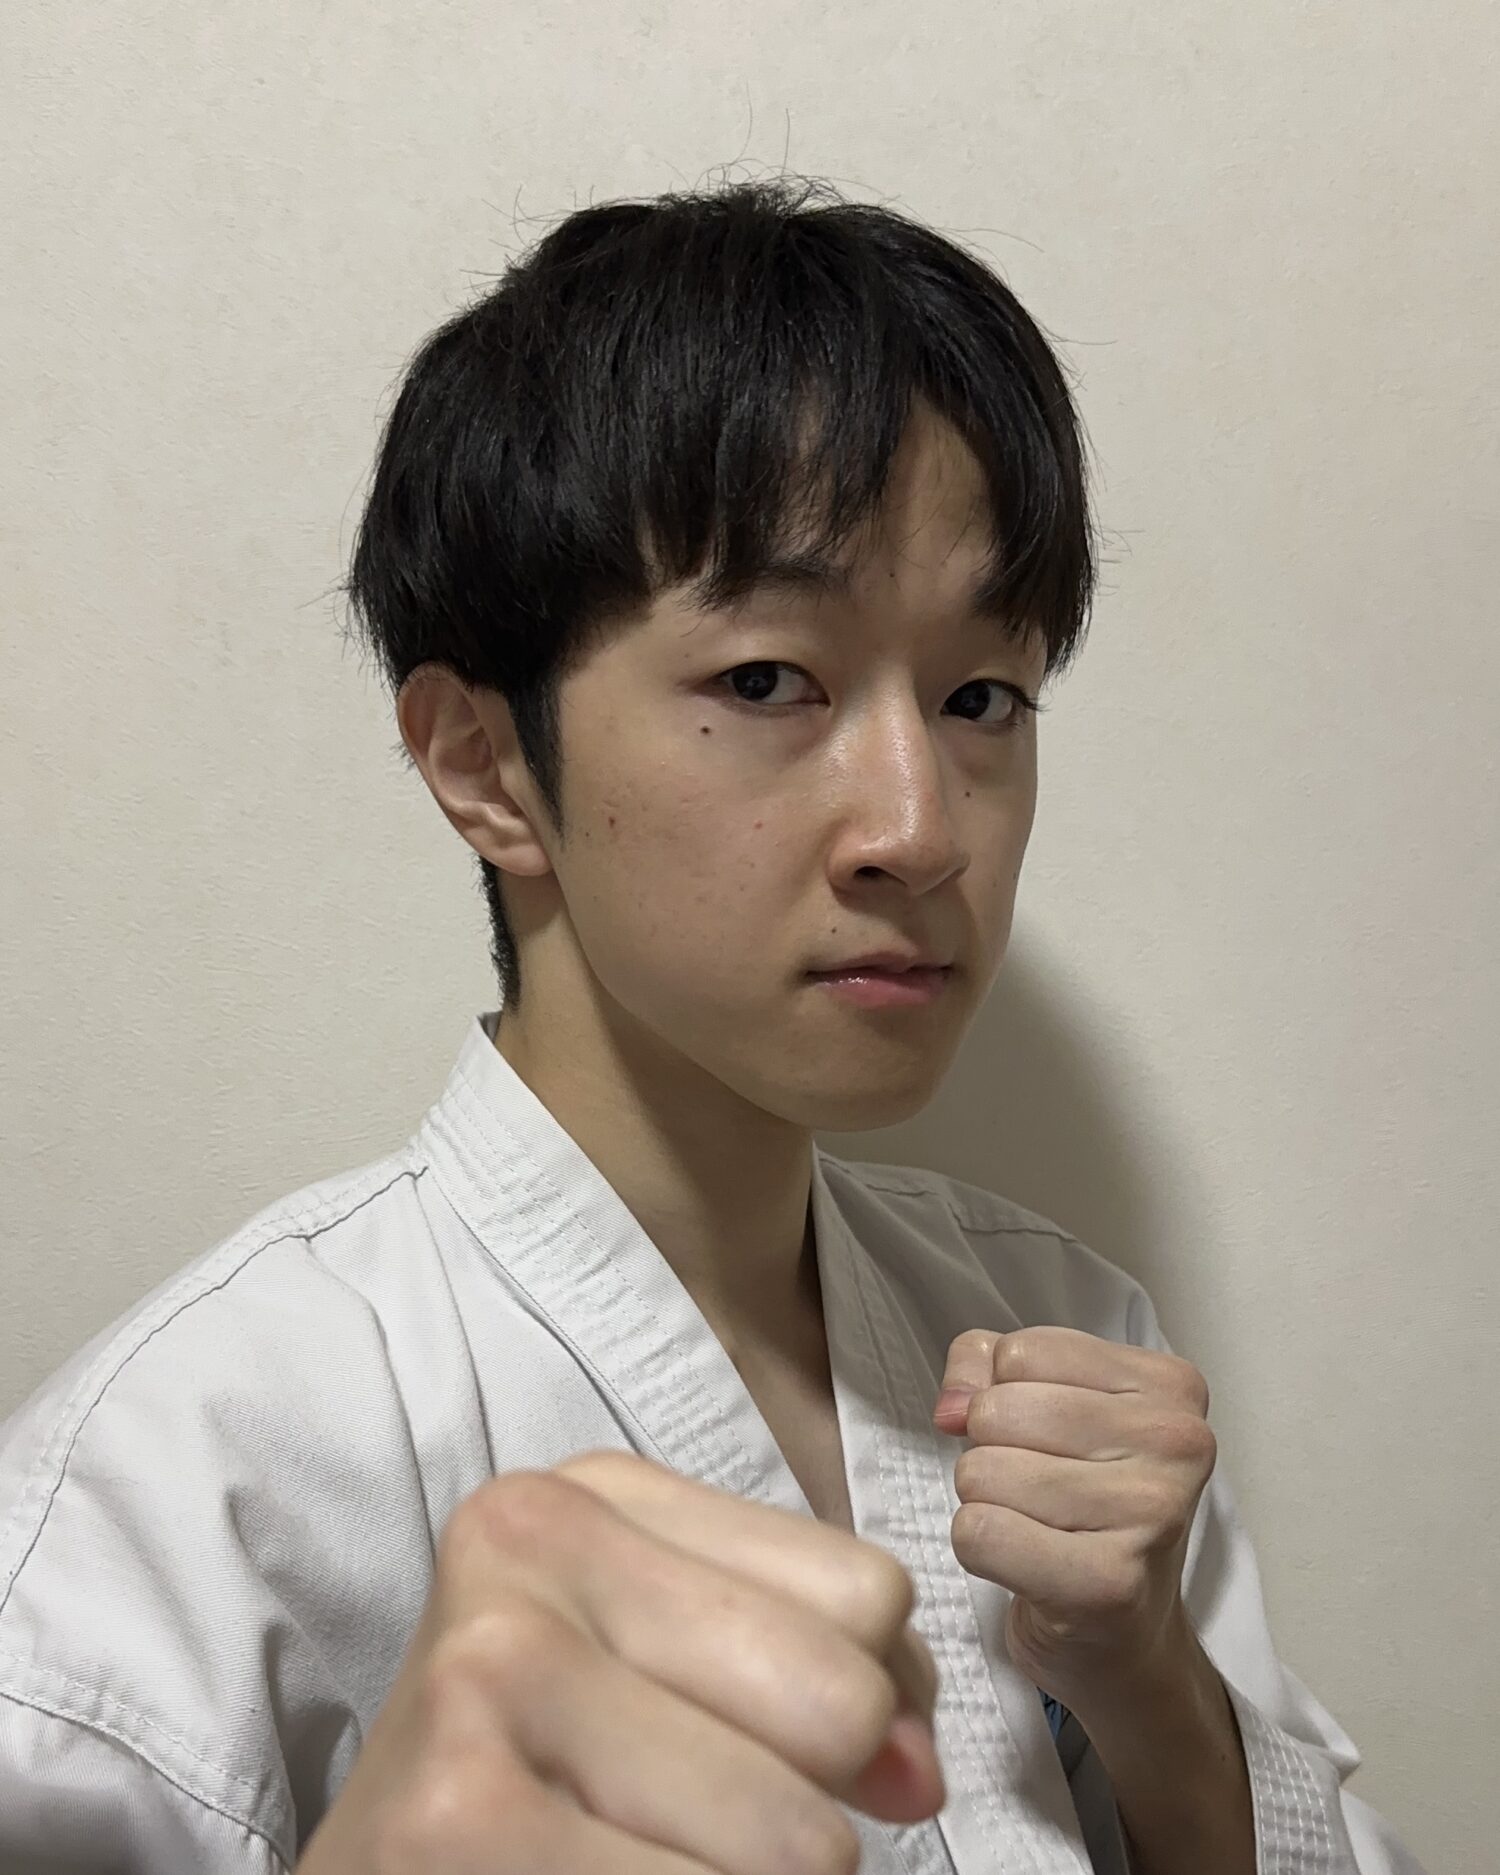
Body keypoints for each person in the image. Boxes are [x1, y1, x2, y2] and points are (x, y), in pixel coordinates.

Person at [0, 174, 1427, 1875]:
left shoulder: (1056, 1326)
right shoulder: (194, 1478)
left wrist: (1153, 1694)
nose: (920, 827)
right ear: (483, 763)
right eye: (767, 681)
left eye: (982, 696)